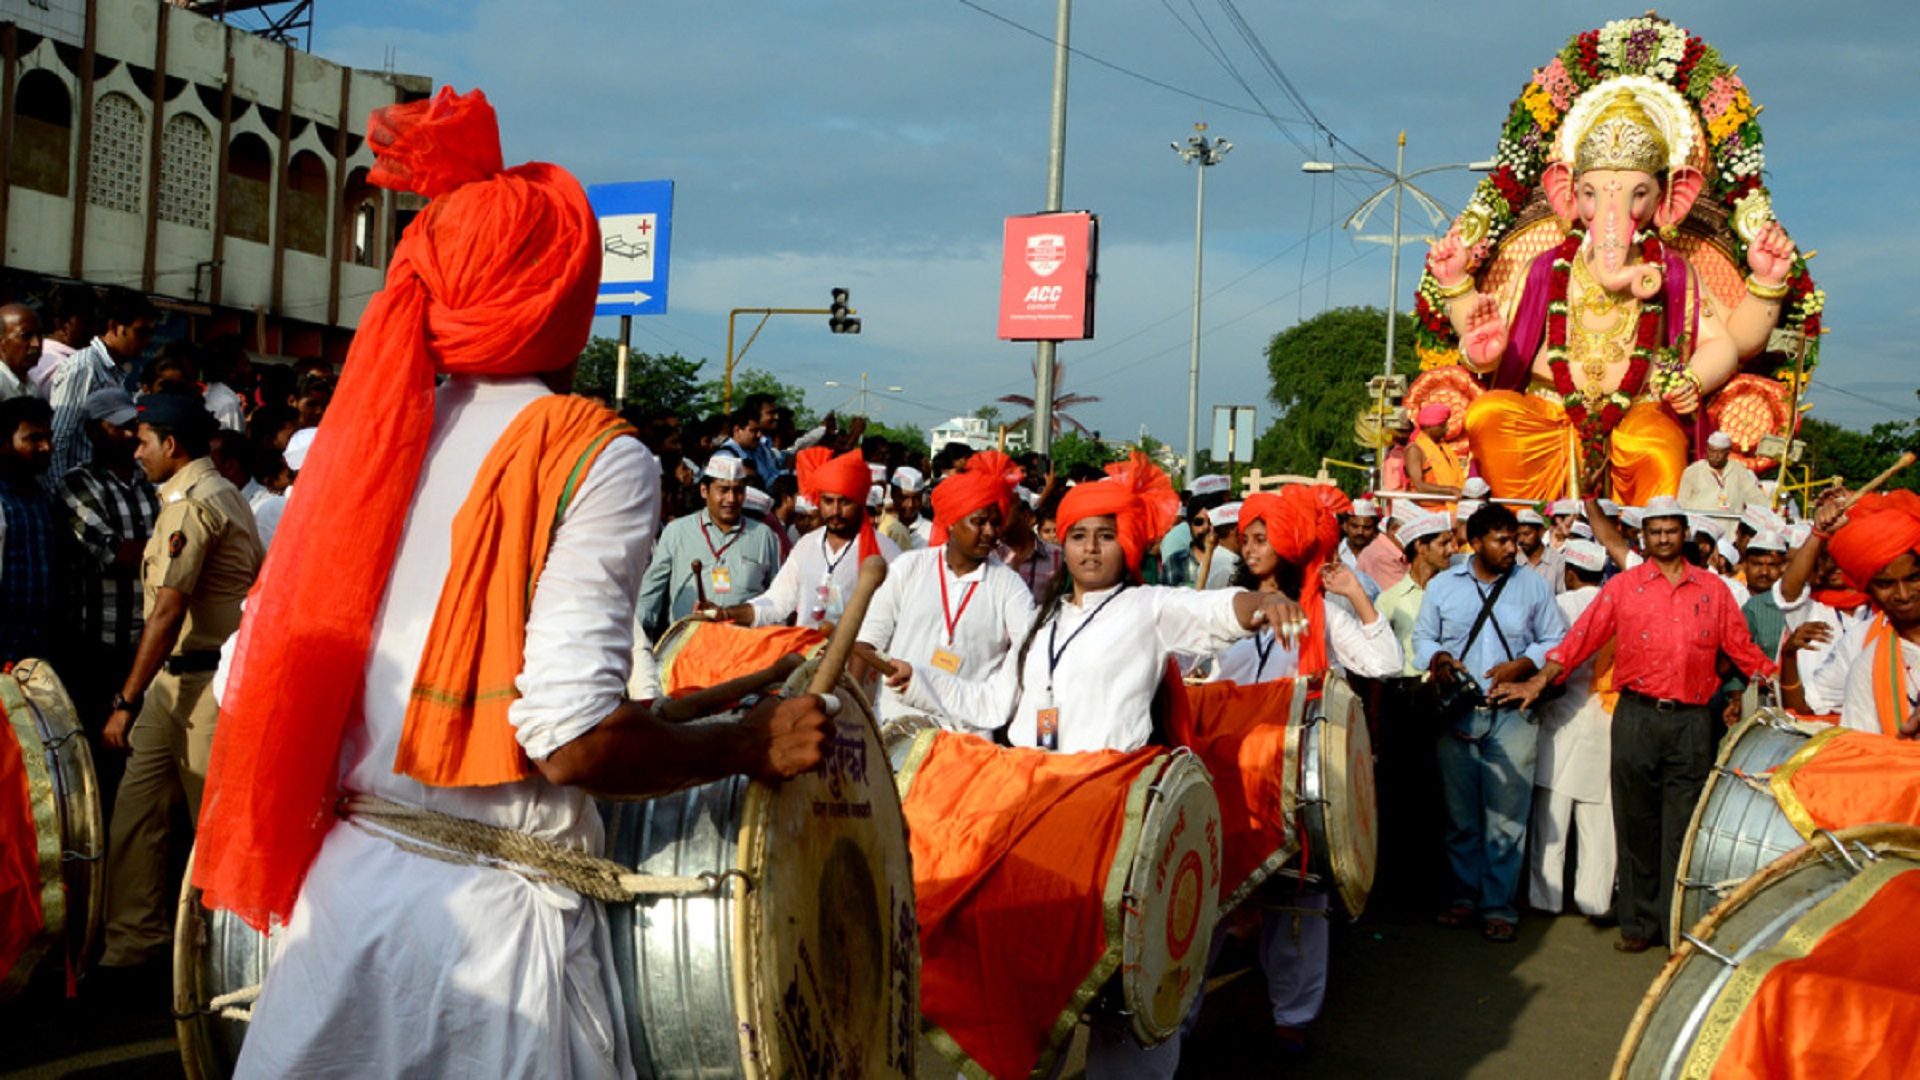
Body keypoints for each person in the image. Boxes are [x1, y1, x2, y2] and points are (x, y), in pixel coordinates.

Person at [191, 89, 832, 1077]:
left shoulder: (366, 440)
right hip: (488, 947)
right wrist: (748, 742)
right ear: (563, 294)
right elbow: (569, 741)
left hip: (341, 914)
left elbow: (248, 681)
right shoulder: (595, 455)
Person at [885, 451, 1305, 1077]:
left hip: (1117, 822)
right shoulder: (1044, 620)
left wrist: (1257, 608)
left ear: (1125, 544)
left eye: (1105, 536)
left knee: (1129, 994)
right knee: (1032, 981)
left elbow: (1215, 612)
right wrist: (913, 678)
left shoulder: (1148, 608)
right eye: (1078, 535)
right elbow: (993, 703)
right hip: (1037, 817)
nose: (1089, 549)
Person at [1504, 495, 1774, 953]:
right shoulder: (1623, 587)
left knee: (1683, 825)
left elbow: (1742, 649)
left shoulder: (1714, 590)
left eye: (1672, 530)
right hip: (1635, 717)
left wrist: (1780, 687)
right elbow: (1580, 640)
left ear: (1685, 533)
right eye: (1656, 531)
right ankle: (1637, 923)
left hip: (1692, 721)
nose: (1664, 538)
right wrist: (1540, 680)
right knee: (1634, 820)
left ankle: (1675, 926)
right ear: (1642, 537)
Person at [1204, 485, 1402, 1055]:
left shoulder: (1325, 614)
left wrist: (1355, 596)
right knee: (1208, 901)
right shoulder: (1226, 604)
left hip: (1295, 784)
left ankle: (1292, 1014)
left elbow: (1385, 664)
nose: (1252, 546)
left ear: (1289, 545)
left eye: (1264, 537)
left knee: (1299, 907)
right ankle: (1178, 1015)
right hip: (1226, 774)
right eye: (1248, 537)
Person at [96, 391, 262, 973]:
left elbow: (167, 611)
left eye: (142, 442)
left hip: (202, 689)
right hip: (179, 688)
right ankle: (134, 948)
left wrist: (125, 699)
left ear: (171, 445)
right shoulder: (219, 495)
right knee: (136, 816)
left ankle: (226, 965)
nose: (134, 451)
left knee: (213, 833)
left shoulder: (193, 505)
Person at [1413, 503, 1568, 943]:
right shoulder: (1443, 586)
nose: (1512, 548)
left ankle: (1499, 906)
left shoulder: (1533, 587)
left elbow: (1555, 639)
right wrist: (1438, 658)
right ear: (1475, 543)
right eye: (1501, 540)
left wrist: (1524, 663)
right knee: (1460, 816)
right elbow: (1423, 636)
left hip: (1513, 715)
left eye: (1514, 538)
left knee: (1507, 818)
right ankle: (1463, 898)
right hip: (1458, 712)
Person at [856, 450, 1033, 723]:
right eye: (979, 522)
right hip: (896, 725)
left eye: (995, 523)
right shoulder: (909, 568)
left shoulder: (1010, 586)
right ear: (951, 521)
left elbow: (1029, 653)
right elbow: (867, 642)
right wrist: (854, 715)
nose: (990, 532)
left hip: (966, 735)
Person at [55, 388, 160, 812]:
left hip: (146, 641)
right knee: (101, 756)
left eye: (134, 424)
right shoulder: (77, 483)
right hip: (99, 644)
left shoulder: (147, 481)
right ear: (95, 431)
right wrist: (168, 552)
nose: (131, 433)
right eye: (120, 426)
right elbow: (116, 553)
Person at [700, 445, 900, 631]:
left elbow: (893, 618)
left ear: (860, 502)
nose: (836, 511)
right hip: (807, 658)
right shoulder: (807, 545)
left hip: (857, 664)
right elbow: (776, 602)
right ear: (818, 501)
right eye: (828, 501)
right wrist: (725, 613)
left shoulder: (885, 551)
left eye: (845, 502)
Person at [1526, 539, 1617, 919]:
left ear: (1570, 573)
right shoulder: (1618, 610)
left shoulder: (1560, 607)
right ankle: (1594, 899)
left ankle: (1544, 898)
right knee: (1599, 822)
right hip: (1606, 721)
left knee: (1552, 816)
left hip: (1562, 720)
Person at [1789, 491, 1920, 736]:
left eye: (1913, 578)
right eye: (1885, 584)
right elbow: (1863, 751)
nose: (1903, 595)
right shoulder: (1865, 661)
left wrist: (1863, 507)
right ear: (1867, 587)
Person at [635, 455, 782, 639]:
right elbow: (651, 592)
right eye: (723, 490)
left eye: (738, 491)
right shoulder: (677, 532)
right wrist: (637, 639)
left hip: (746, 648)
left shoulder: (764, 536)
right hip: (688, 647)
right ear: (704, 490)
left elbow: (777, 600)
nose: (731, 498)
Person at [48, 290, 157, 484]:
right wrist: (59, 493)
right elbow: (58, 438)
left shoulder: (114, 370)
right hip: (77, 488)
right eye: (140, 332)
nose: (148, 341)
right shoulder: (84, 367)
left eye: (150, 333)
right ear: (114, 326)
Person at [0, 396, 58, 663]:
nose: (46, 447)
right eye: (33, 438)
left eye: (48, 437)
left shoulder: (40, 498)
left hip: (35, 656)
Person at [996, 487, 1061, 605]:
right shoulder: (987, 557)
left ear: (1026, 516)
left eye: (1005, 508)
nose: (997, 518)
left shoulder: (1059, 558)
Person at [28, 284, 94, 396]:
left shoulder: (37, 356)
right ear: (62, 325)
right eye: (86, 323)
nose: (93, 329)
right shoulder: (66, 368)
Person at [1678, 431, 1765, 514]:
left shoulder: (1739, 470)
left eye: (1720, 452)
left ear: (1727, 453)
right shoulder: (1693, 471)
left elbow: (1755, 498)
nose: (1715, 456)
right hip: (1702, 525)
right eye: (1712, 451)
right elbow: (1682, 503)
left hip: (1732, 524)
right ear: (1707, 450)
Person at [1404, 403, 1463, 497]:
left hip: (1451, 506)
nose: (1447, 428)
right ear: (1429, 427)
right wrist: (1451, 490)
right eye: (1443, 425)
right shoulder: (1414, 450)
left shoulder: (1443, 448)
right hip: (1426, 510)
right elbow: (1419, 486)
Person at [878, 465, 929, 551]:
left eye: (916, 498)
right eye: (904, 498)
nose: (910, 504)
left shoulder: (931, 532)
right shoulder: (883, 527)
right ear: (893, 495)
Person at [1516, 507, 1565, 595]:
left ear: (1541, 532)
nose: (1521, 539)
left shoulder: (1557, 561)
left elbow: (1563, 596)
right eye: (1518, 535)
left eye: (1526, 534)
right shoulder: (1515, 562)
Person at [0, 303, 43, 400]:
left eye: (39, 335)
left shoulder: (30, 384)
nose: (36, 344)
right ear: (1, 342)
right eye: (26, 336)